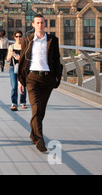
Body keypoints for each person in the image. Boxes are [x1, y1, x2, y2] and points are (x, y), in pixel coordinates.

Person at [17, 14, 63, 153]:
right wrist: (21, 80)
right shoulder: (28, 40)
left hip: (47, 78)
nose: (40, 25)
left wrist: (56, 77)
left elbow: (56, 59)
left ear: (45, 24)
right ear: (33, 25)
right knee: (36, 108)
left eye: (42, 22)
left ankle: (33, 134)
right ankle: (39, 139)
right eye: (37, 23)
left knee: (41, 110)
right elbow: (22, 61)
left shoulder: (52, 40)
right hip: (32, 77)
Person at [6, 30, 26, 111]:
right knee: (14, 86)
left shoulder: (25, 46)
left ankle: (23, 102)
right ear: (14, 37)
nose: (18, 38)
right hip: (13, 67)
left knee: (23, 85)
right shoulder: (11, 47)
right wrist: (11, 55)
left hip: (22, 68)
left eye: (20, 36)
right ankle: (14, 103)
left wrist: (20, 58)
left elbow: (27, 58)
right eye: (16, 36)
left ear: (22, 37)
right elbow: (7, 59)